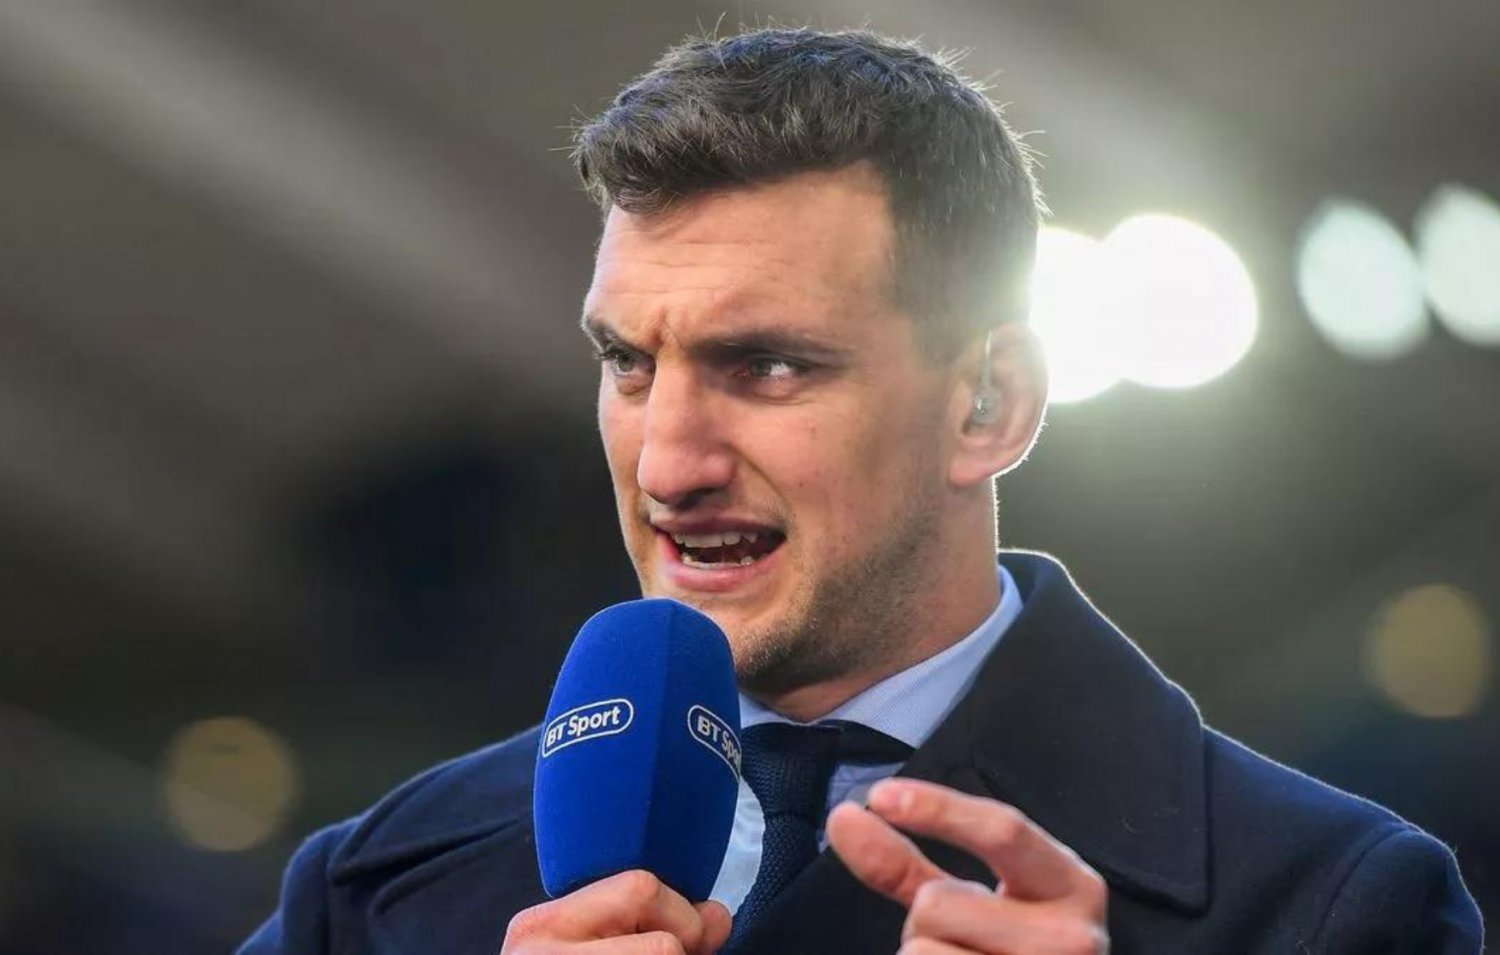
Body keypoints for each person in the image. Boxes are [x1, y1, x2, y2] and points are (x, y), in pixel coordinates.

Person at [240, 27, 1483, 955]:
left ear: (989, 403)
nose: (668, 462)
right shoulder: (371, 887)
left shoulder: (1333, 899)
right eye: (629, 363)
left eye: (767, 366)